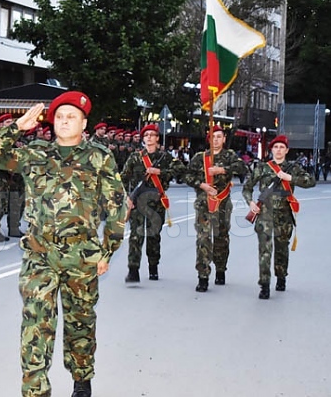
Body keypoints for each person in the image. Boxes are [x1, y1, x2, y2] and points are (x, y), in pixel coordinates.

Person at [0, 91, 127, 397]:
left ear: (84, 123)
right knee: (35, 325)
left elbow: (116, 204)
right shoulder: (35, 152)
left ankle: (81, 374)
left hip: (82, 256)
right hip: (40, 255)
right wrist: (17, 128)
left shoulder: (99, 157)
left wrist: (108, 249)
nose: (64, 122)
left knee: (80, 323)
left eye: (71, 117)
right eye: (59, 116)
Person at [242, 135, 315, 299]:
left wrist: (290, 178)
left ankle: (281, 277)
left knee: (282, 249)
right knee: (264, 250)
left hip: (284, 215)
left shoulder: (292, 168)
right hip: (264, 214)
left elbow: (311, 181)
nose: (279, 150)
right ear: (271, 150)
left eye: (282, 147)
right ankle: (265, 285)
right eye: (276, 147)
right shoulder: (262, 168)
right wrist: (250, 203)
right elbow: (247, 188)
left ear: (287, 150)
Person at [183, 125, 246, 292]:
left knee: (221, 237)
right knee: (203, 238)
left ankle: (220, 269)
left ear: (224, 139)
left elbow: (243, 168)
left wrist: (222, 169)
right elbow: (187, 175)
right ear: (208, 139)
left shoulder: (229, 155)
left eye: (219, 136)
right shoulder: (199, 157)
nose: (216, 139)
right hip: (204, 203)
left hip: (223, 203)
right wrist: (202, 185)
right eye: (213, 137)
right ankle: (203, 276)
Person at [120, 123, 184, 282]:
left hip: (156, 201)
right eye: (146, 135)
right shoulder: (135, 157)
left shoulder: (165, 157)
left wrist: (160, 172)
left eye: (152, 135)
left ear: (157, 138)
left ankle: (153, 267)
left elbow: (181, 171)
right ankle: (133, 270)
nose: (149, 138)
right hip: (138, 201)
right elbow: (123, 178)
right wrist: (126, 197)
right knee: (136, 235)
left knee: (153, 236)